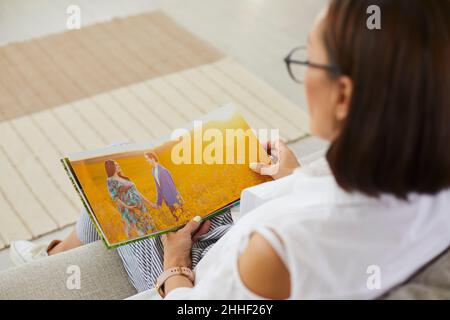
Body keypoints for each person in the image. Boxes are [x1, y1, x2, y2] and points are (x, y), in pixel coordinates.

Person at [10, 0, 450, 299]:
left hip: (194, 275)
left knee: (115, 166)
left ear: (343, 96)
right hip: (246, 230)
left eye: (308, 60)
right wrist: (294, 179)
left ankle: (48, 256)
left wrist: (176, 263)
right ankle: (53, 252)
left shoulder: (279, 247)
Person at [104, 160, 156, 237]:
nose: (118, 166)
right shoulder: (110, 181)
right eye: (116, 165)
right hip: (130, 209)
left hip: (141, 206)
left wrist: (150, 203)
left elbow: (137, 192)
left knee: (151, 226)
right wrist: (128, 207)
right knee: (140, 230)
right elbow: (115, 197)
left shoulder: (125, 178)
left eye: (118, 164)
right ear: (111, 167)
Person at [144, 152, 184, 222]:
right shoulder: (153, 171)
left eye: (147, 159)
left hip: (174, 200)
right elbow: (158, 188)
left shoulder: (163, 171)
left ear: (152, 158)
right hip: (167, 200)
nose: (146, 161)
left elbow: (172, 186)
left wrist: (178, 201)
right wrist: (158, 203)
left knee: (183, 217)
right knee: (177, 219)